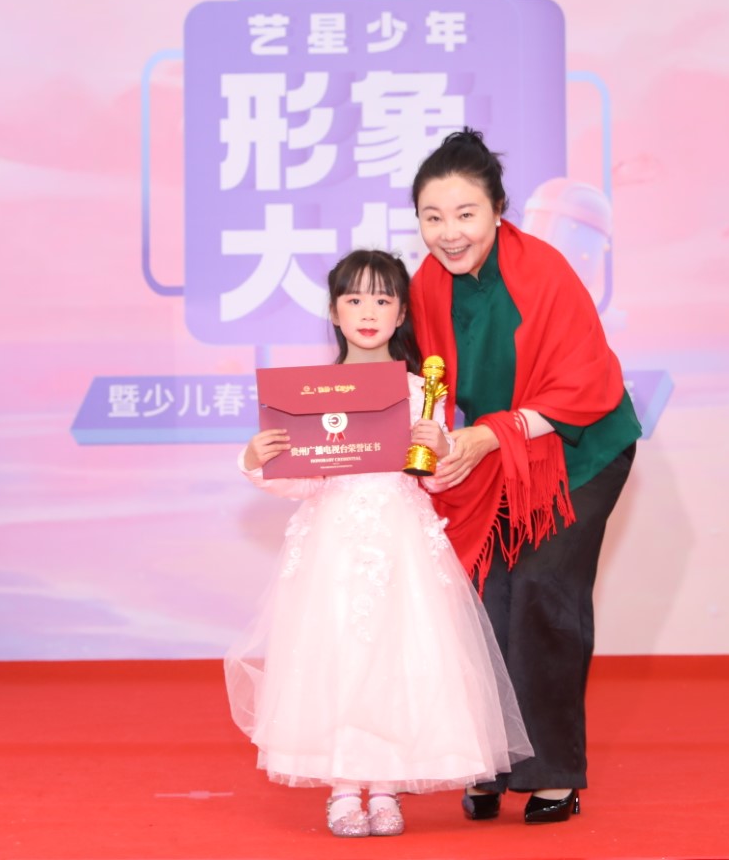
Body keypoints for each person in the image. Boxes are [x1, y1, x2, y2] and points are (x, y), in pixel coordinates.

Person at [225, 249, 531, 838]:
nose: (369, 312)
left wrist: (441, 448)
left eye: (383, 299)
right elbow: (302, 481)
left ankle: (387, 786)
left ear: (401, 314)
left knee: (400, 655)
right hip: (332, 545)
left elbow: (436, 479)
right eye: (355, 299)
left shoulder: (423, 391)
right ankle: (344, 787)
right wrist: (257, 459)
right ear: (334, 312)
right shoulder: (309, 393)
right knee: (337, 655)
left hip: (402, 544)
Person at [408, 128, 640, 824]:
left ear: (499, 210)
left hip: (579, 448)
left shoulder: (543, 271)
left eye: (466, 214)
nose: (450, 233)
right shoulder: (425, 285)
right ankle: (488, 759)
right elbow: (425, 382)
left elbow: (587, 385)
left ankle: (552, 773)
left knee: (543, 587)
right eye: (433, 217)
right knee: (482, 593)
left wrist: (491, 434)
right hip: (495, 454)